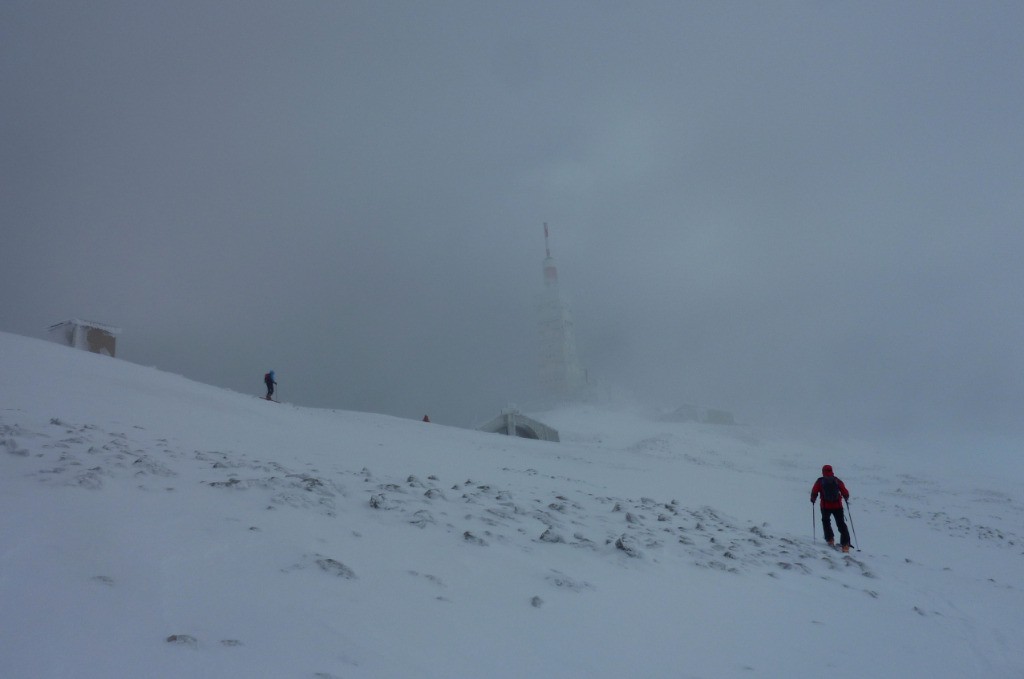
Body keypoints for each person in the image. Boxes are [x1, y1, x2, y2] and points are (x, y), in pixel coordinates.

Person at [810, 464, 851, 552]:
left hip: (825, 506)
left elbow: (814, 491)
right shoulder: (837, 480)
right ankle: (845, 545)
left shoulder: (820, 481)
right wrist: (846, 497)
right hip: (838, 506)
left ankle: (830, 539)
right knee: (841, 524)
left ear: (823, 471)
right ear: (832, 471)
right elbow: (845, 491)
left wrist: (813, 499)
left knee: (826, 522)